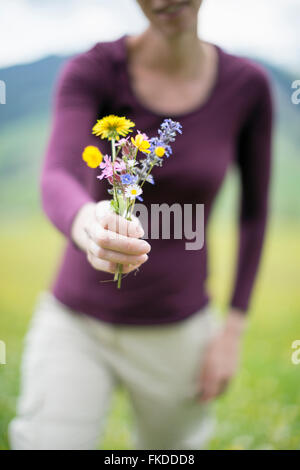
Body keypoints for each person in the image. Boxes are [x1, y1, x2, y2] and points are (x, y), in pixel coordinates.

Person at [9, 0, 273, 450]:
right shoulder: (94, 70)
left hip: (178, 330)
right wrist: (87, 223)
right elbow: (57, 174)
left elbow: (254, 213)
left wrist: (232, 331)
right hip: (76, 322)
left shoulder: (246, 86)